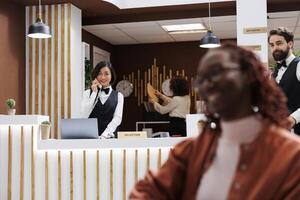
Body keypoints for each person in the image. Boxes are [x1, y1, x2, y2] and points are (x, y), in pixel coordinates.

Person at [129, 43, 300, 199]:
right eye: (203, 78)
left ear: (249, 76)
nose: (209, 83)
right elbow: (146, 193)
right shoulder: (190, 151)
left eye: (219, 72)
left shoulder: (291, 155)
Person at [269, 27, 300, 135]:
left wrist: (293, 119)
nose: (275, 48)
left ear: (290, 44)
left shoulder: (298, 65)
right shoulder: (273, 73)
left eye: (279, 43)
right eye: (272, 45)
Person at [81, 61, 124, 139]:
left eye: (106, 74)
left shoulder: (119, 96)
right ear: (96, 76)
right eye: (100, 74)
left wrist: (104, 135)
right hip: (89, 138)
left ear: (111, 76)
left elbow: (117, 118)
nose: (103, 77)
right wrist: (94, 93)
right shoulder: (87, 93)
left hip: (109, 139)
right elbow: (84, 115)